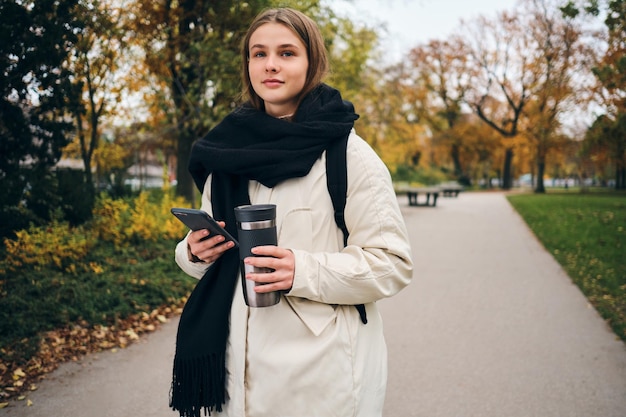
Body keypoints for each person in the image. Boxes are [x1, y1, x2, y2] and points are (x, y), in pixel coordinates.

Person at [171, 7, 413, 417]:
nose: (270, 65)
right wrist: (194, 252)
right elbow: (209, 260)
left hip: (322, 374)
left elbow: (392, 263)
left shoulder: (348, 155)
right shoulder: (225, 152)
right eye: (258, 53)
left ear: (311, 62)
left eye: (286, 53)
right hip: (237, 371)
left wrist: (301, 271)